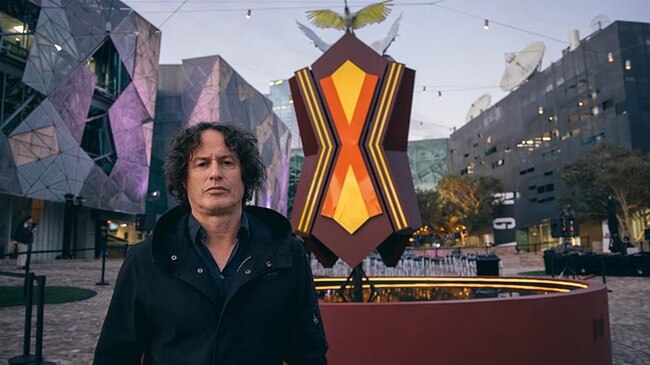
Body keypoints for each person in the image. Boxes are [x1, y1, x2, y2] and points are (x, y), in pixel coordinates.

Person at [94, 122, 328, 365]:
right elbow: (114, 356)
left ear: (244, 176)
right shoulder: (146, 259)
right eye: (202, 163)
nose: (215, 173)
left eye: (227, 162)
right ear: (184, 180)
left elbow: (309, 353)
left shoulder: (287, 253)